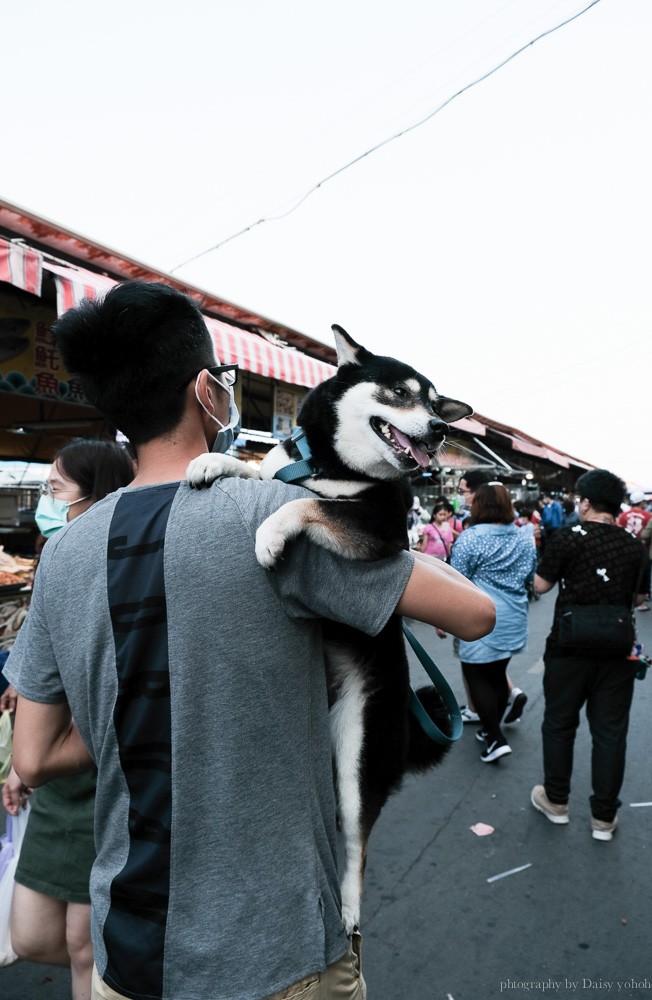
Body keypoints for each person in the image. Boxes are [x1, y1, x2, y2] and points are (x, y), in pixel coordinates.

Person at [2, 280, 495, 1000]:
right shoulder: (275, 513)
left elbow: (34, 757)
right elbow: (474, 614)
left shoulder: (66, 556)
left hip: (127, 950)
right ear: (207, 392)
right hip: (279, 951)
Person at [2, 439, 133, 1000]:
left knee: (85, 945)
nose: (46, 502)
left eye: (55, 490)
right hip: (52, 781)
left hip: (103, 778)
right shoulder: (59, 555)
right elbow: (40, 665)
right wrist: (19, 764)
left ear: (95, 493)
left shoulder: (124, 559)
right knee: (30, 937)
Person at [531, 469, 650, 841]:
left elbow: (541, 585)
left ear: (585, 502)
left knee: (559, 723)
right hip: (616, 651)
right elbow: (640, 600)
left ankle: (556, 801)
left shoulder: (567, 539)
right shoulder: (633, 546)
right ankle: (603, 818)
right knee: (610, 732)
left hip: (568, 648)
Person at [450, 483, 536, 762]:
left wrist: (444, 620)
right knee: (498, 675)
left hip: (480, 614)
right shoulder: (525, 537)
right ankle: (490, 730)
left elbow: (456, 581)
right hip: (514, 614)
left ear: (478, 505)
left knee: (477, 677)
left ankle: (495, 738)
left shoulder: (470, 537)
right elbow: (529, 575)